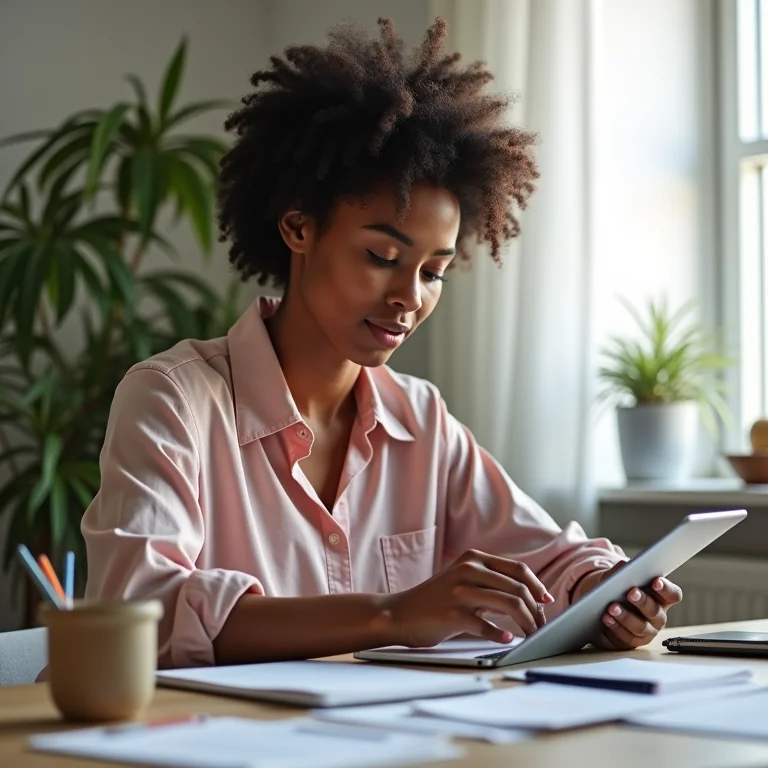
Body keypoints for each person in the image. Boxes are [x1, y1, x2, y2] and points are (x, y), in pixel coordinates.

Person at [82, 17, 682, 668]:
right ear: (297, 228)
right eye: (380, 255)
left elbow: (553, 558)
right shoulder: (173, 401)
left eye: (433, 272)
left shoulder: (419, 419)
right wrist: (392, 615)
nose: (409, 297)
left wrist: (608, 596)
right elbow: (144, 616)